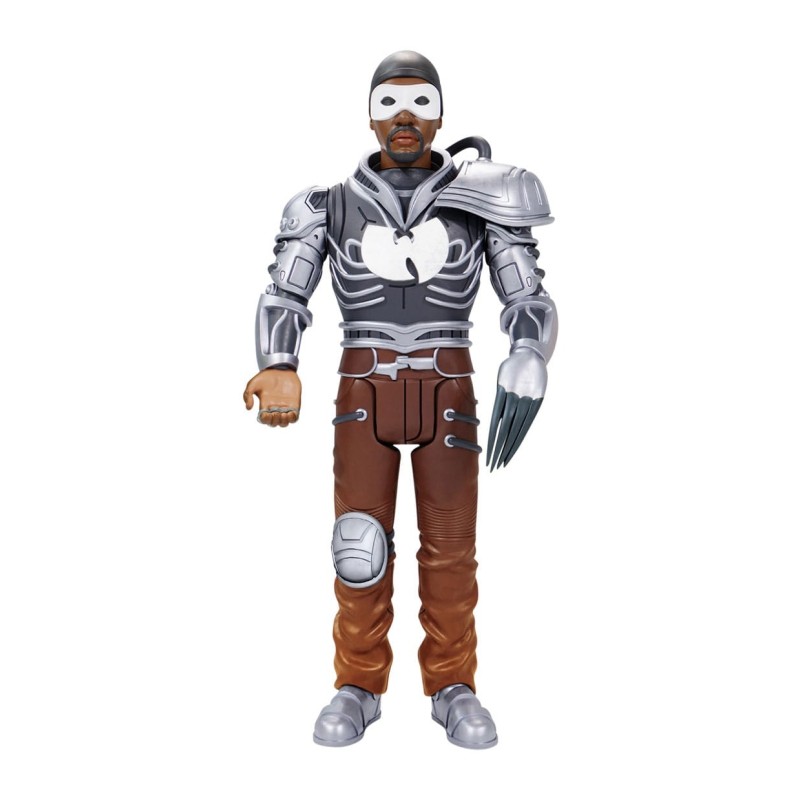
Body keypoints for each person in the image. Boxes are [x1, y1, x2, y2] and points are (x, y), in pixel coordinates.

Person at [243, 50, 557, 749]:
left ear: (441, 115)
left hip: (450, 384)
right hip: (364, 382)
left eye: (420, 102)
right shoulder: (326, 205)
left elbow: (527, 294)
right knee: (359, 546)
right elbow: (285, 291)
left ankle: (453, 685)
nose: (405, 117)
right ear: (369, 115)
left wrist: (530, 350)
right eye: (389, 103)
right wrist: (279, 362)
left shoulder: (483, 196)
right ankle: (357, 684)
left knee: (452, 548)